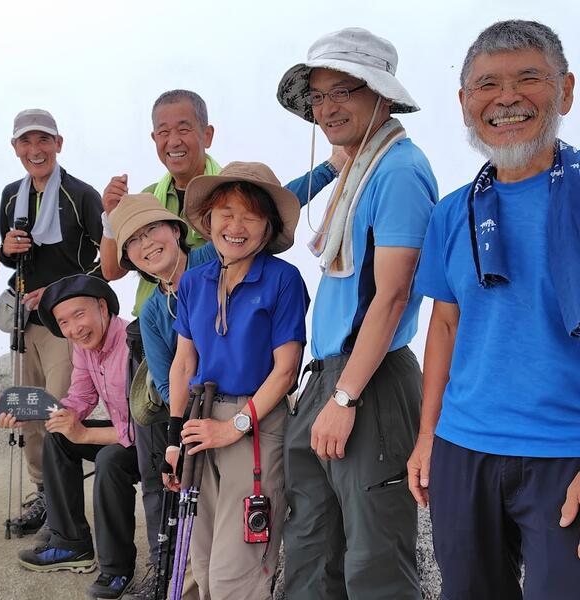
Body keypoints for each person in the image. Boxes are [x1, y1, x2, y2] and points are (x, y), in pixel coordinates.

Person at [407, 20, 580, 599]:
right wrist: (428, 434)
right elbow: (446, 324)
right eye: (486, 86)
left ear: (566, 91)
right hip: (463, 448)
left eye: (529, 78)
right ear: (463, 104)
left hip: (565, 451)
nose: (507, 99)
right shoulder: (453, 212)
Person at [276, 27, 438, 599]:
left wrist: (345, 398)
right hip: (330, 374)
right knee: (312, 544)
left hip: (368, 379)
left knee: (375, 560)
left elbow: (393, 296)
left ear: (383, 96)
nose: (328, 107)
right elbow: (267, 218)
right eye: (318, 96)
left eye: (345, 89)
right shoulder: (354, 169)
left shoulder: (397, 170)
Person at [164, 162, 310, 599]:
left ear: (268, 226)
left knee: (239, 571)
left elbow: (286, 370)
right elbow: (183, 364)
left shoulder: (283, 279)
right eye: (225, 211)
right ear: (208, 219)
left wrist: (234, 427)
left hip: (257, 424)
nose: (235, 225)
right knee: (200, 559)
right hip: (200, 420)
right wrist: (175, 438)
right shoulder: (193, 281)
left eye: (250, 214)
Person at [0, 275, 139, 600]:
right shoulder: (84, 348)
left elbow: (143, 426)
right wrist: (40, 413)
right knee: (59, 436)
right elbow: (80, 398)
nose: (74, 328)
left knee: (110, 459)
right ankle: (71, 543)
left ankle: (117, 569)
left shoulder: (134, 343)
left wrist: (86, 432)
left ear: (102, 307)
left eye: (79, 315)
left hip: (155, 440)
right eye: (64, 322)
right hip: (123, 429)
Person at [0, 108, 103, 534]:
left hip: (65, 325)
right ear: (15, 148)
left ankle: (62, 506)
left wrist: (60, 293)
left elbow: (109, 262)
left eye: (44, 140)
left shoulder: (80, 195)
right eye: (26, 141)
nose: (35, 149)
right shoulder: (9, 195)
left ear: (59, 144)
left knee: (58, 411)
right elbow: (9, 258)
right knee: (29, 411)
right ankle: (44, 493)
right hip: (26, 323)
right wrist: (6, 247)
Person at [109, 193, 217, 599]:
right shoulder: (154, 310)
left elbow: (256, 212)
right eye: (133, 241)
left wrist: (331, 168)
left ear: (176, 230)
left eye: (152, 229)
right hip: (192, 413)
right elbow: (165, 374)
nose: (146, 244)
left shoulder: (211, 258)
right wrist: (180, 435)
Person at [99, 89, 219, 317]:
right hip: (151, 326)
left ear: (207, 135)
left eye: (184, 130)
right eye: (163, 132)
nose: (173, 141)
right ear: (154, 138)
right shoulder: (149, 198)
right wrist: (112, 216)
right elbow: (111, 271)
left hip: (212, 323)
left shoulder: (230, 193)